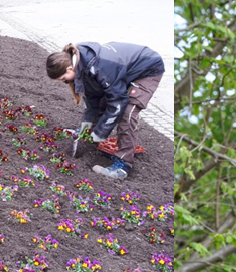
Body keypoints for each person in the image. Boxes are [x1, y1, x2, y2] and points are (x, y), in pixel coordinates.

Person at [44, 42, 164, 179]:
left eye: (63, 79)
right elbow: (92, 98)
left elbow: (118, 102)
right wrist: (87, 126)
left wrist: (101, 132)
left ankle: (123, 164)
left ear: (69, 68)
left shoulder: (99, 67)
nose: (64, 82)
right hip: (123, 70)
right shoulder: (83, 66)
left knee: (127, 112)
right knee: (102, 101)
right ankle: (90, 138)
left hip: (147, 68)